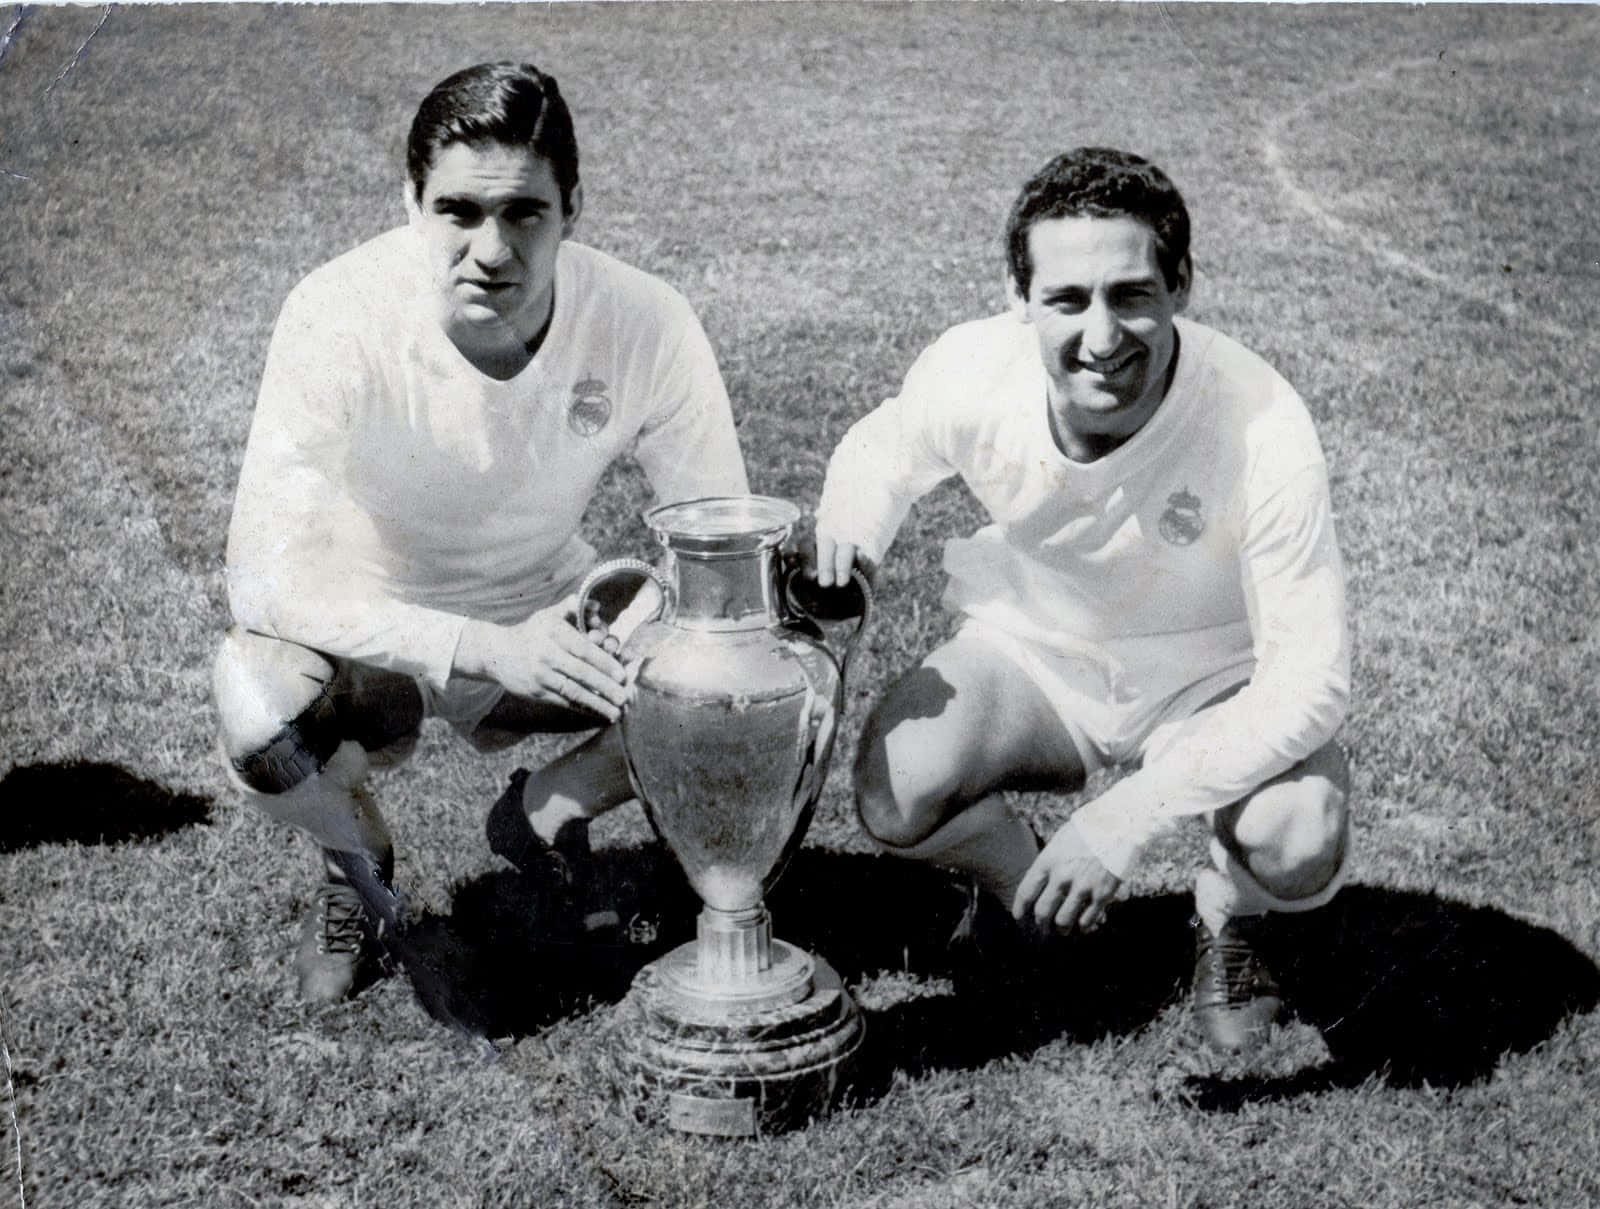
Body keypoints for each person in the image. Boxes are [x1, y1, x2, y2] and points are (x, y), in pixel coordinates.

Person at [212, 62, 748, 1007]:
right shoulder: (335, 311)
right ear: (411, 205)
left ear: (573, 209)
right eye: (458, 211)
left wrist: (630, 642)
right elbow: (261, 581)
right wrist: (480, 646)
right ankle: (355, 859)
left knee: (744, 663)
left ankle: (547, 810)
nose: (490, 250)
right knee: (257, 704)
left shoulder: (647, 321)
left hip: (551, 613)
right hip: (369, 631)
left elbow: (719, 543)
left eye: (524, 214)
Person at [813, 147, 1350, 1052]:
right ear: (1020, 297)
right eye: (1066, 299)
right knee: (892, 789)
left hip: (1208, 681)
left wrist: (1123, 820)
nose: (1100, 335)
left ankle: (1230, 916)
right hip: (1037, 656)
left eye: (1130, 293)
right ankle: (1022, 889)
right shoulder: (973, 369)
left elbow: (1312, 682)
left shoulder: (1263, 420)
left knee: (1299, 831)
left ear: (1179, 283)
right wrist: (847, 533)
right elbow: (883, 449)